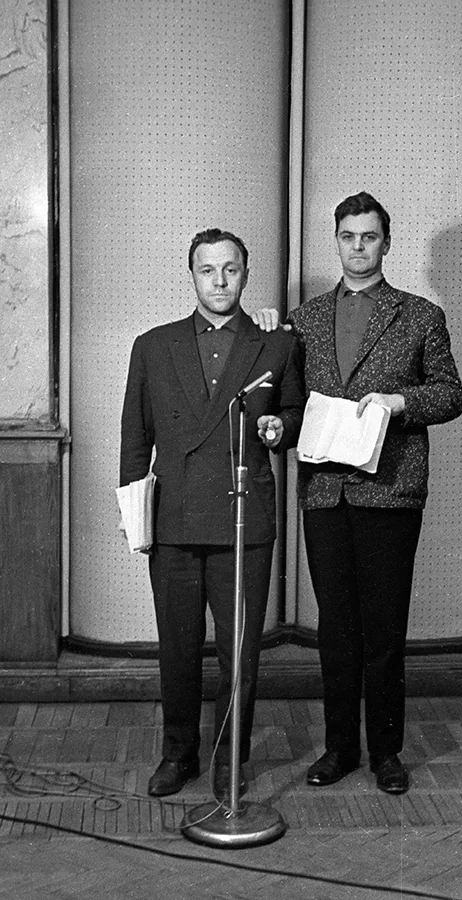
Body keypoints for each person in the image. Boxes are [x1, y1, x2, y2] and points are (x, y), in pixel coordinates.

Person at [254, 191, 462, 794]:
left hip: (390, 492)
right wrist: (264, 333)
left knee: (385, 630)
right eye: (348, 236)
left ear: (386, 243)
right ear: (337, 241)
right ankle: (340, 747)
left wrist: (399, 402)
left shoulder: (420, 315)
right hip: (325, 493)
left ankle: (387, 753)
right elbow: (290, 400)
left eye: (369, 237)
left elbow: (451, 393)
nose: (358, 247)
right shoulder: (306, 319)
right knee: (336, 630)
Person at [120, 228, 305, 800]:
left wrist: (279, 428)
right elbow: (135, 439)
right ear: (192, 275)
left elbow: (295, 413)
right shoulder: (153, 345)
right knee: (176, 647)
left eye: (231, 269)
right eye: (208, 270)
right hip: (174, 519)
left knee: (240, 652)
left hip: (243, 518)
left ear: (245, 274)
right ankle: (178, 754)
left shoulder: (275, 344)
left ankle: (230, 760)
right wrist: (135, 513)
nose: (220, 281)